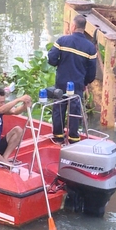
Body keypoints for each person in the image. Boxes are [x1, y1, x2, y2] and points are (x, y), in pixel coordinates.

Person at [47, 15, 97, 144]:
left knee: (58, 107)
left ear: (73, 26)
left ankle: (58, 136)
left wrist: (59, 63)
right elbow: (92, 72)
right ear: (84, 29)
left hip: (61, 82)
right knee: (75, 110)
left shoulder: (62, 41)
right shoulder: (90, 47)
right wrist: (85, 82)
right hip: (77, 84)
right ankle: (73, 137)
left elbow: (51, 59)